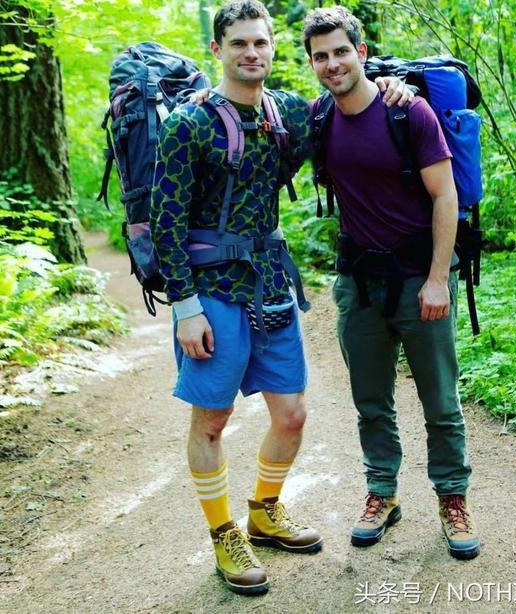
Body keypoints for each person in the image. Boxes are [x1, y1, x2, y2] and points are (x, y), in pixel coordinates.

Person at [150, 0, 412, 596]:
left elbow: (350, 101)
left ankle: (265, 512)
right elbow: (166, 221)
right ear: (217, 49)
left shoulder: (288, 113)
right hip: (210, 289)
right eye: (238, 43)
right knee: (212, 420)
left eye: (260, 42)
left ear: (272, 48)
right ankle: (224, 534)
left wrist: (394, 86)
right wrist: (184, 307)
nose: (251, 52)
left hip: (270, 282)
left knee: (291, 414)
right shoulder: (187, 124)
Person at [302, 7, 481, 560]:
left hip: (419, 280)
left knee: (441, 402)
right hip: (359, 286)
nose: (333, 63)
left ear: (361, 52)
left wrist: (438, 280)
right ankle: (382, 492)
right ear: (312, 64)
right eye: (321, 56)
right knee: (371, 401)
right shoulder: (318, 118)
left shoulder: (409, 112)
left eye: (341, 51)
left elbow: (445, 195)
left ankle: (452, 499)